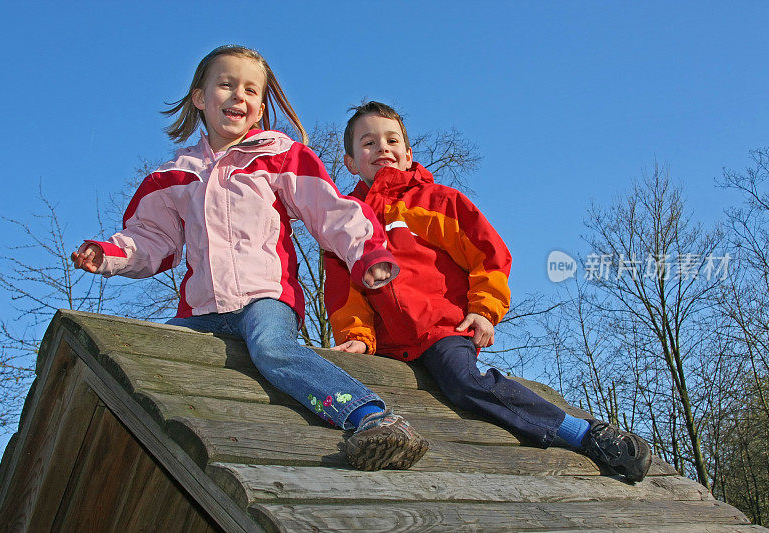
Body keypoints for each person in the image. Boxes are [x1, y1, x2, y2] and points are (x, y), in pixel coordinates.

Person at [71, 48, 428, 471]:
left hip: (265, 298)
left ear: (259, 108)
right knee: (151, 354)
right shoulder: (175, 175)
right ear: (200, 98)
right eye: (226, 84)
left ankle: (370, 418)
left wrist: (366, 252)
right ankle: (128, 455)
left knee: (272, 349)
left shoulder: (278, 156)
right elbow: (152, 239)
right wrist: (110, 254)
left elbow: (329, 210)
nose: (238, 95)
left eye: (250, 89)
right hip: (202, 310)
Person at [324, 101, 652, 483]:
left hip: (442, 330)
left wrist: (484, 308)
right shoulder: (346, 222)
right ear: (349, 161)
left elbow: (489, 256)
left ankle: (583, 433)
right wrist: (357, 337)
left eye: (391, 140)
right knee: (348, 384)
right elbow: (345, 291)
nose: (382, 148)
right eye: (368, 143)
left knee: (463, 382)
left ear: (408, 153)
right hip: (387, 345)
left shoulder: (438, 202)